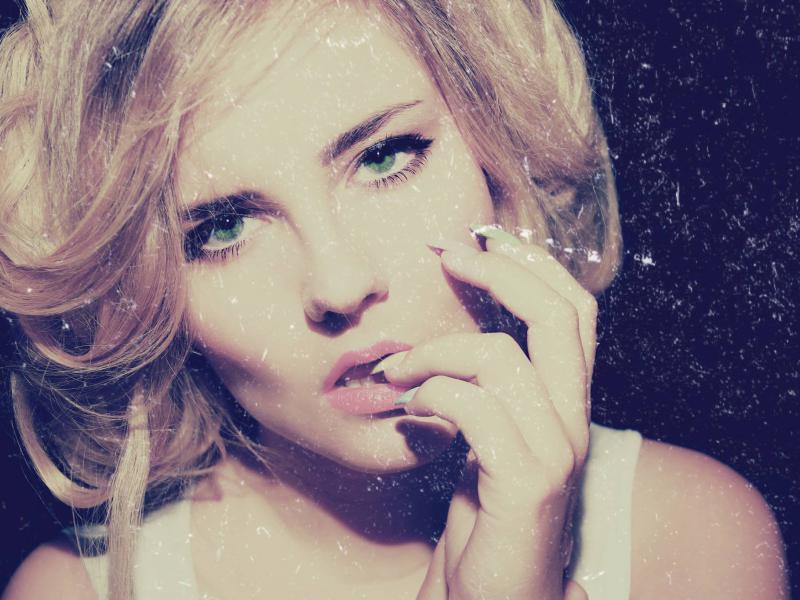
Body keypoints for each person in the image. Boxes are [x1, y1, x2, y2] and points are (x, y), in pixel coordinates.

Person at [0, 1, 789, 599]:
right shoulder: (72, 591)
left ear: (496, 150)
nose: (339, 285)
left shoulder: (690, 536)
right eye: (223, 227)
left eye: (384, 158)